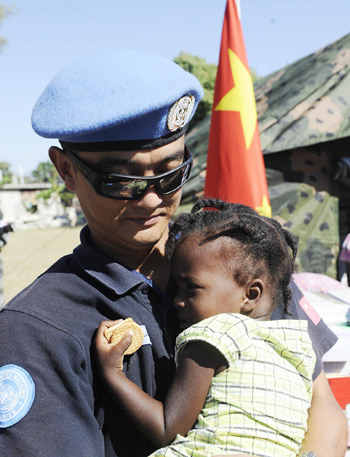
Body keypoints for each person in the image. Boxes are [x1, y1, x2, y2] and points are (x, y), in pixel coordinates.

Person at [0, 50, 346, 457]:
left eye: (170, 174)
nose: (150, 201)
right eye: (120, 182)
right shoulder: (38, 329)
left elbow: (324, 405)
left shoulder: (243, 254)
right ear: (66, 170)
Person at [95, 198, 317, 457]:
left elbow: (168, 428)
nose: (177, 300)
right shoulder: (296, 350)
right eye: (177, 288)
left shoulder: (214, 335)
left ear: (251, 294)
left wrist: (112, 373)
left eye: (191, 288)